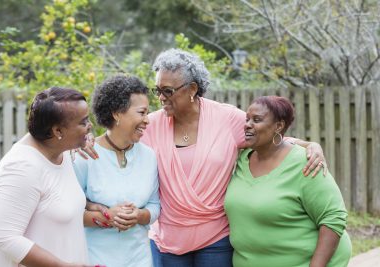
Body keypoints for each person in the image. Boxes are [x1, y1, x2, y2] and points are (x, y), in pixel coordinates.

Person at [81, 49, 327, 267]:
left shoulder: (226, 118)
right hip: (168, 242)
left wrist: (309, 144)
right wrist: (86, 140)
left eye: (167, 91)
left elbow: (265, 135)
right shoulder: (151, 124)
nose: (161, 98)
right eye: (158, 90)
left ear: (192, 89)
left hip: (216, 240)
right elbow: (115, 138)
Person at [224, 96, 351, 267]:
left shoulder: (305, 162)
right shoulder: (242, 157)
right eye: (247, 119)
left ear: (279, 125)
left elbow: (333, 217)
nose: (247, 124)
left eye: (257, 120)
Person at [0, 87, 101, 267]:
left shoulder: (59, 149)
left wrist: (80, 136)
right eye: (83, 122)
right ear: (58, 131)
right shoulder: (21, 168)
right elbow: (6, 238)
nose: (90, 126)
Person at [73, 75, 160, 267]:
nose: (147, 120)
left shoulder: (149, 157)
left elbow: (155, 206)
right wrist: (107, 219)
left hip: (140, 260)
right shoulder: (85, 156)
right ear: (117, 114)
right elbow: (69, 213)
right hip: (95, 259)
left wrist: (138, 215)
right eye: (142, 112)